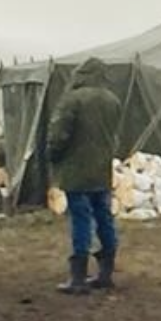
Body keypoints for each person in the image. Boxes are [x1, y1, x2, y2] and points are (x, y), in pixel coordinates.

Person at [47, 58, 122, 295]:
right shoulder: (113, 100)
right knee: (104, 218)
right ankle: (105, 273)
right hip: (102, 170)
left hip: (76, 170)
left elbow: (59, 135)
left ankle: (78, 277)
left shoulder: (72, 99)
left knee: (81, 219)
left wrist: (52, 155)